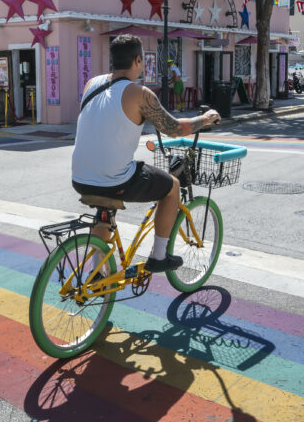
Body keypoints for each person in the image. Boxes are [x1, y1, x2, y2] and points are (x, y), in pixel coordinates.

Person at [72, 35, 221, 273]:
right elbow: (175, 128)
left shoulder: (91, 84)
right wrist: (205, 119)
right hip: (116, 180)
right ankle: (159, 256)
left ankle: (97, 272)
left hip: (80, 179)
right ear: (138, 60)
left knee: (104, 211)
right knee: (172, 186)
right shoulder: (140, 94)